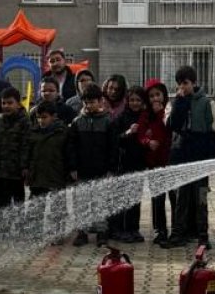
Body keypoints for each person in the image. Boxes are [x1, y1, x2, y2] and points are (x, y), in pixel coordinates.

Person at [164, 65, 215, 249]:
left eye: (186, 83)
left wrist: (209, 155)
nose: (183, 87)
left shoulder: (206, 102)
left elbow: (214, 130)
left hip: (200, 156)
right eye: (180, 84)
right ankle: (178, 234)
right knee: (182, 197)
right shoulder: (177, 102)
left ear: (194, 83)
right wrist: (179, 103)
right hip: (182, 156)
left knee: (201, 198)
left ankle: (203, 235)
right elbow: (172, 125)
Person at [68, 83, 117, 247]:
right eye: (86, 102)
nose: (88, 106)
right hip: (82, 171)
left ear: (101, 101)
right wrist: (73, 167)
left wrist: (111, 168)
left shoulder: (108, 122)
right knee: (81, 203)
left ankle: (102, 232)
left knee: (101, 203)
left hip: (101, 171)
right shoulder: (77, 122)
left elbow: (113, 148)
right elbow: (72, 147)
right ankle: (82, 232)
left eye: (92, 102)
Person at [109, 86, 150, 243]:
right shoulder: (121, 118)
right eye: (132, 100)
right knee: (122, 198)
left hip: (138, 163)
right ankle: (119, 229)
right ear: (127, 101)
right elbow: (114, 140)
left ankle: (134, 228)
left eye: (138, 100)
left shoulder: (145, 117)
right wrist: (128, 133)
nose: (135, 103)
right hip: (123, 164)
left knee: (135, 198)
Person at [139, 79, 172, 245]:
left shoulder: (168, 111)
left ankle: (180, 230)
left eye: (158, 94)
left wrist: (161, 115)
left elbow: (169, 130)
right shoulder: (145, 115)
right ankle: (160, 230)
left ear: (164, 96)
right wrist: (147, 142)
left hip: (170, 162)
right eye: (151, 96)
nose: (155, 99)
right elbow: (141, 134)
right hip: (153, 164)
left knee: (174, 198)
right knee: (157, 199)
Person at [0, 87, 30, 208]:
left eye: (10, 103)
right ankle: (4, 226)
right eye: (3, 103)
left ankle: (19, 225)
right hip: (0, 171)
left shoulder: (25, 121)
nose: (6, 106)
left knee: (18, 204)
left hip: (16, 172)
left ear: (18, 103)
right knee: (2, 204)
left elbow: (26, 145)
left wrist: (25, 166)